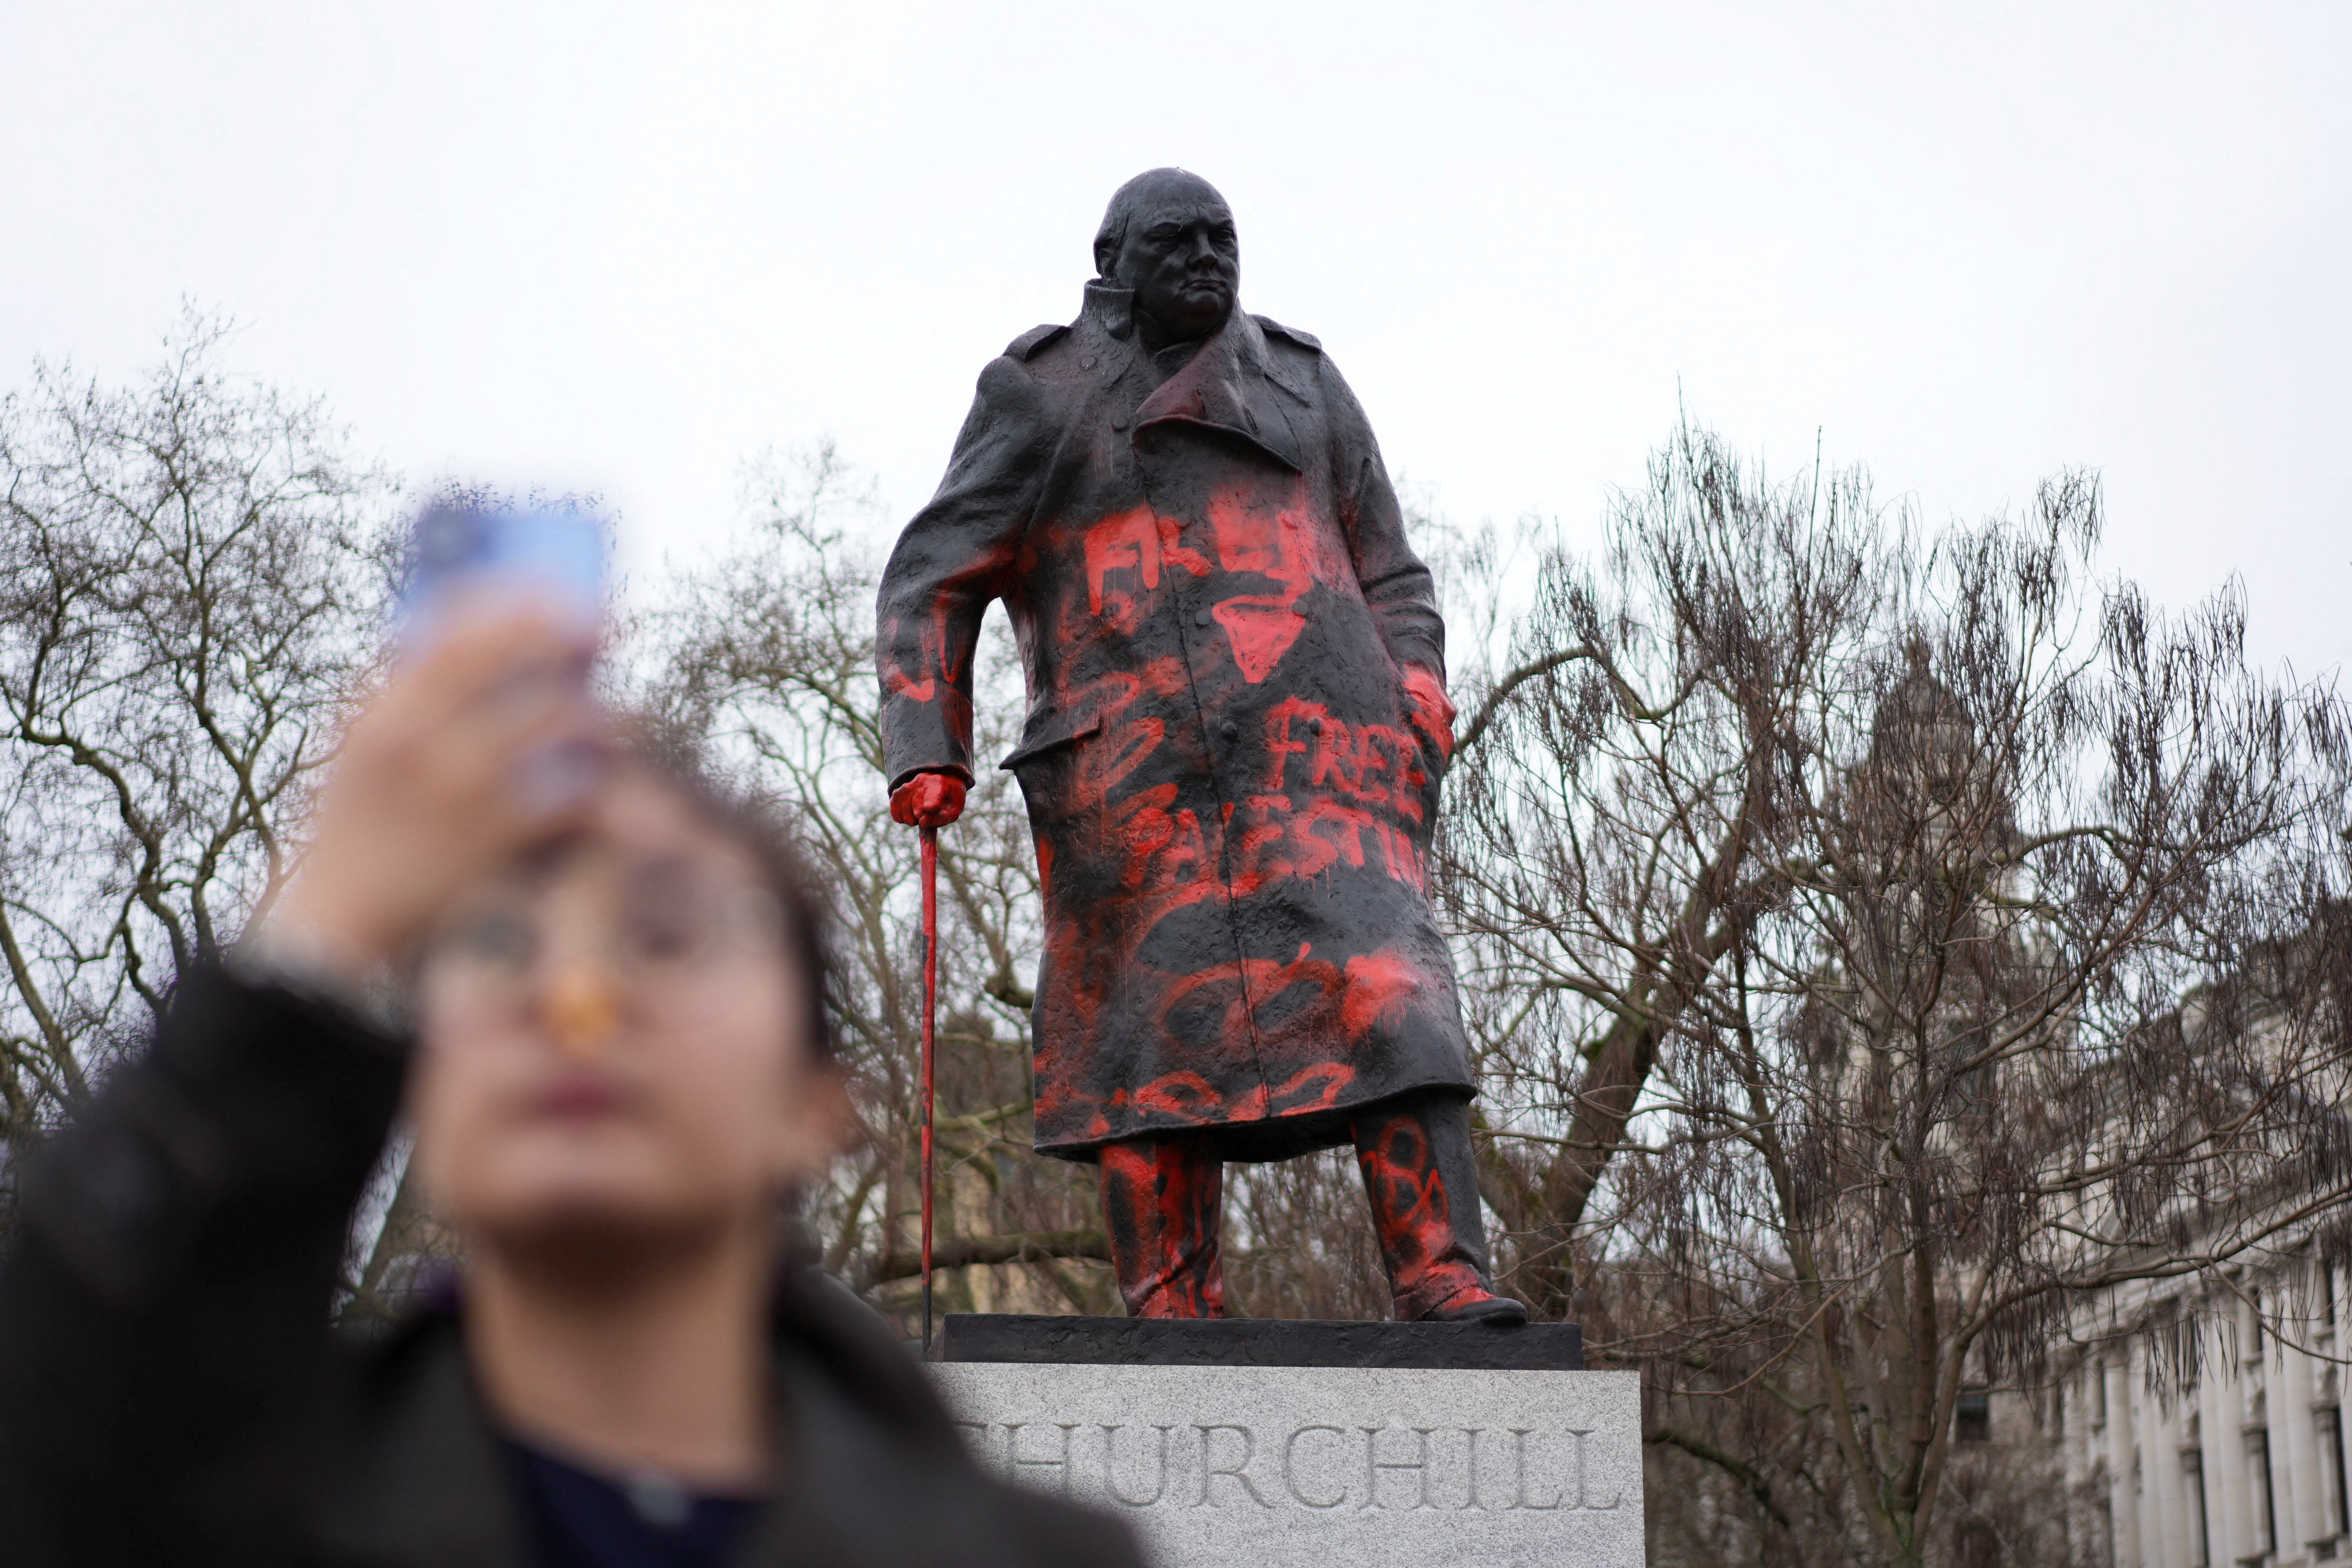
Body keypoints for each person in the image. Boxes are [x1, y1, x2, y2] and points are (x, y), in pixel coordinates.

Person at [0, 604, 1142, 1568]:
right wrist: (312, 941)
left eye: (664, 929)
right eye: (496, 942)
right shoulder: (216, 1512)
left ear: (813, 1104)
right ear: (424, 1090)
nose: (577, 998)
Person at [874, 168, 1526, 1324]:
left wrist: (1413, 697)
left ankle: (1442, 1271)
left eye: (1220, 238)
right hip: (1131, 789)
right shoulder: (1040, 395)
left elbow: (1390, 567)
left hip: (1324, 768)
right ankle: (1168, 1301)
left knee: (1394, 992)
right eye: (1173, 241)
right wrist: (929, 739)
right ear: (1112, 256)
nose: (1203, 257)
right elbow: (932, 575)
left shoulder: (1304, 382)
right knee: (1144, 1045)